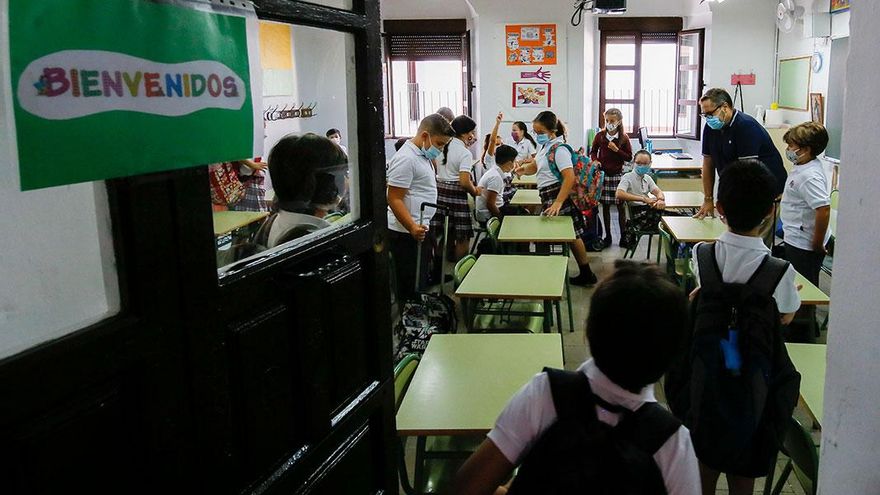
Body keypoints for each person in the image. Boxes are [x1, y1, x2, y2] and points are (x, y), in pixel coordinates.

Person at [452, 261, 699, 495]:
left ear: (587, 333)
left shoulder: (545, 394)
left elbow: (467, 488)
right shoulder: (673, 443)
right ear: (674, 356)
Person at [689, 159, 800, 495]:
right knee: (743, 476)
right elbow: (785, 315)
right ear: (770, 211)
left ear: (720, 208)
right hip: (754, 391)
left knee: (703, 468)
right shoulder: (779, 270)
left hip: (707, 383)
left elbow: (706, 294)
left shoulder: (702, 255)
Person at [695, 89, 788, 247]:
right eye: (704, 114)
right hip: (739, 190)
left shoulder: (746, 127)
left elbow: (747, 175)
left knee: (752, 245)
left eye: (710, 113)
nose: (708, 118)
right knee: (735, 242)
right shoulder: (711, 128)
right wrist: (708, 199)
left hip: (761, 193)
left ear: (725, 107)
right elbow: (708, 163)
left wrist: (734, 206)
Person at [514, 111, 596, 285]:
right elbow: (536, 165)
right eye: (535, 132)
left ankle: (550, 274)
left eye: (541, 132)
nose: (537, 135)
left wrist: (558, 202)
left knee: (566, 235)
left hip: (558, 195)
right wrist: (524, 169)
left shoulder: (559, 149)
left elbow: (569, 177)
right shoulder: (545, 147)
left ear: (552, 131)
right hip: (549, 195)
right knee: (573, 235)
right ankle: (585, 273)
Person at [386, 114, 453, 301]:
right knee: (409, 284)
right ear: (425, 136)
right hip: (405, 232)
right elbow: (393, 198)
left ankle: (417, 311)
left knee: (420, 279)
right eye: (439, 144)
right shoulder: (406, 158)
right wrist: (412, 227)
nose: (440, 149)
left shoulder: (421, 155)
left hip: (420, 227)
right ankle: (409, 316)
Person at [780, 122, 831, 341]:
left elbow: (823, 209)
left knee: (804, 289)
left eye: (792, 146)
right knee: (801, 284)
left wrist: (816, 243)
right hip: (796, 237)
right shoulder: (804, 165)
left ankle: (803, 334)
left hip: (804, 242)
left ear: (806, 149)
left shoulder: (809, 176)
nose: (788, 150)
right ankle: (807, 326)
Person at [265, 134, 348, 248]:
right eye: (342, 173)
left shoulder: (276, 222)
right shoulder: (322, 241)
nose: (345, 180)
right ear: (328, 184)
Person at [433, 115, 481, 261]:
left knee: (446, 233)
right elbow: (464, 182)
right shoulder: (464, 153)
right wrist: (475, 191)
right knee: (462, 236)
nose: (473, 135)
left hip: (440, 190)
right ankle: (461, 268)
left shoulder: (442, 146)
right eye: (472, 132)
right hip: (456, 194)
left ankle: (439, 266)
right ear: (465, 133)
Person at [590, 108, 633, 248]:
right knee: (605, 206)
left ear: (619, 122)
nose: (609, 123)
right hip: (604, 175)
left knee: (621, 206)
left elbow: (629, 157)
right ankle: (607, 236)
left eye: (612, 121)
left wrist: (617, 150)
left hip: (617, 176)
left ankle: (623, 237)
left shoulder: (624, 138)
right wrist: (595, 160)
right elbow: (593, 151)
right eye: (607, 120)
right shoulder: (600, 136)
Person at [615, 150, 666, 249]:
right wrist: (643, 199)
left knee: (673, 218)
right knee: (670, 221)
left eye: (645, 164)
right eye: (638, 163)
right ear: (634, 163)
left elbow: (658, 191)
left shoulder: (647, 178)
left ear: (650, 164)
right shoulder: (628, 177)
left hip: (647, 212)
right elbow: (619, 194)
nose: (641, 166)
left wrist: (660, 199)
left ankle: (677, 250)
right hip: (637, 215)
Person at [476, 144, 518, 222]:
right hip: (489, 215)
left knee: (521, 210)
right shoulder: (495, 177)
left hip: (497, 208)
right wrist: (501, 219)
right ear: (509, 163)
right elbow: (490, 204)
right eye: (514, 161)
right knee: (522, 215)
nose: (515, 163)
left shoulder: (495, 171)